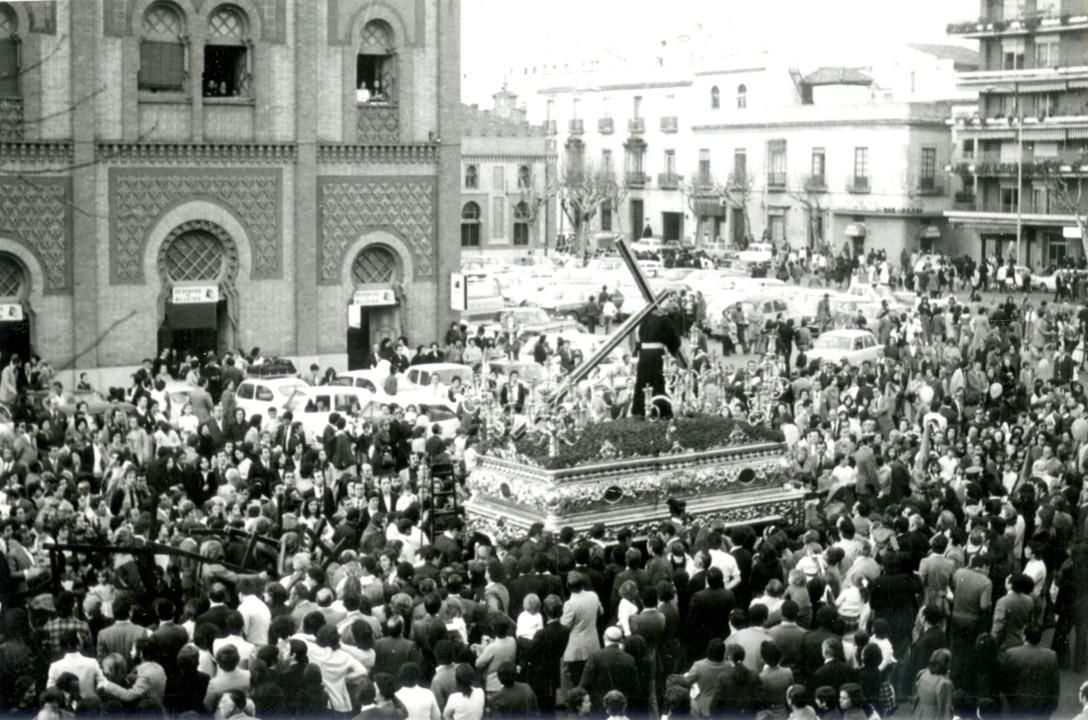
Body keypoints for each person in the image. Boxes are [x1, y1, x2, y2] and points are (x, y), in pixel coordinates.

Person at [911, 648, 953, 720]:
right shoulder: (944, 683)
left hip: (919, 713)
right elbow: (945, 711)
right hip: (934, 715)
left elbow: (916, 696)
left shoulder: (922, 673)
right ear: (946, 664)